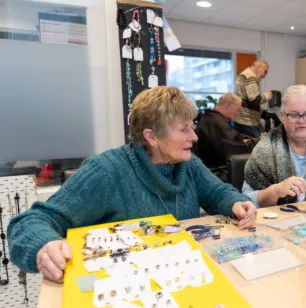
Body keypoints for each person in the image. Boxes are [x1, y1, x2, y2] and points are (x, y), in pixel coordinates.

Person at [8, 86, 257, 283]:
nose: (194, 136)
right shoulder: (107, 170)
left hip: (179, 277)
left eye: (192, 127)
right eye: (184, 129)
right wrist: (43, 246)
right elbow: (32, 221)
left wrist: (236, 203)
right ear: (152, 137)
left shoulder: (188, 164)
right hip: (124, 287)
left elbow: (218, 192)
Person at [192, 93, 255, 175]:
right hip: (219, 170)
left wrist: (247, 139)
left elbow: (235, 137)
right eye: (237, 109)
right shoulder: (217, 122)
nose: (238, 113)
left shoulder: (211, 117)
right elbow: (238, 147)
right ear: (227, 105)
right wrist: (254, 142)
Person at [234, 60, 273, 138]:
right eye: (265, 71)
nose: (265, 75)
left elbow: (246, 100)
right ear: (258, 67)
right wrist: (266, 96)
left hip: (240, 119)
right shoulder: (250, 77)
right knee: (256, 147)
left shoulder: (243, 75)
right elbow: (254, 101)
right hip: (248, 121)